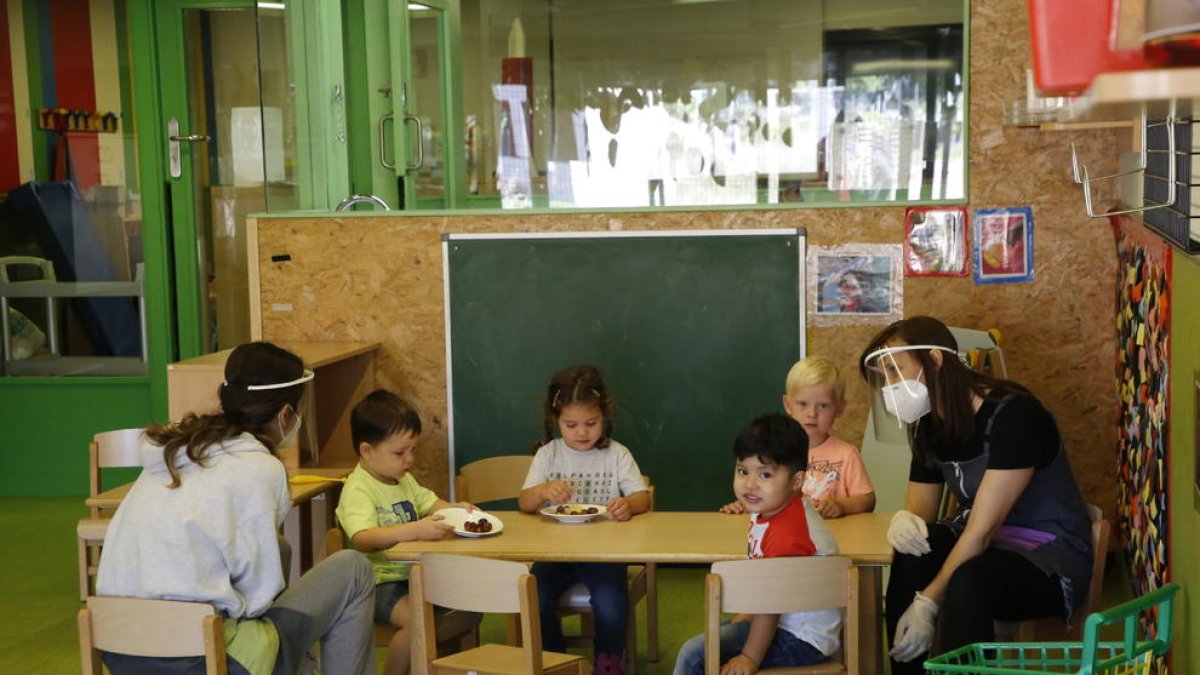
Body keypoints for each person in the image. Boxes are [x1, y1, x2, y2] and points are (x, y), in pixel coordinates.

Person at [96, 341, 375, 675]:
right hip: (203, 658)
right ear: (285, 414)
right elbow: (258, 597)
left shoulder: (173, 451)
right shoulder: (259, 468)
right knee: (354, 569)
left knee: (280, 549)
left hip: (119, 647)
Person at [859, 316, 1093, 673]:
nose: (890, 385)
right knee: (911, 552)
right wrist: (905, 521)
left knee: (969, 581)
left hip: (1047, 555)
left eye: (896, 371)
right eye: (884, 378)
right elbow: (921, 510)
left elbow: (982, 529)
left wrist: (927, 602)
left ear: (935, 360)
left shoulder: (1015, 415)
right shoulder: (929, 425)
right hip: (984, 545)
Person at [675, 413, 840, 675]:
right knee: (717, 635)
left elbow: (771, 604)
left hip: (801, 638)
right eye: (743, 471)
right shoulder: (776, 507)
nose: (749, 484)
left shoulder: (788, 532)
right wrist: (749, 613)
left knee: (694, 656)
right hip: (786, 620)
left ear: (796, 481)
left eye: (764, 475)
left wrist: (749, 657)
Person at [518, 364, 652, 675]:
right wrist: (542, 490)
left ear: (604, 416)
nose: (582, 432)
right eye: (571, 424)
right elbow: (525, 503)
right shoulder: (548, 455)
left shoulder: (617, 455)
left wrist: (628, 504)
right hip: (553, 553)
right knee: (533, 595)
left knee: (610, 603)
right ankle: (556, 663)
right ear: (556, 421)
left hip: (605, 554)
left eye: (591, 423)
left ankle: (608, 666)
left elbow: (643, 497)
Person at [335, 389, 477, 675]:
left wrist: (455, 509)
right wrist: (414, 530)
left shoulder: (401, 478)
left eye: (412, 449)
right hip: (378, 584)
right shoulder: (358, 489)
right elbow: (363, 538)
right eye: (400, 452)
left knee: (467, 607)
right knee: (417, 623)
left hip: (416, 577)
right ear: (367, 451)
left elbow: (429, 502)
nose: (409, 459)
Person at [721, 356, 875, 519]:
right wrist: (746, 504)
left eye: (823, 405)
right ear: (788, 405)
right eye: (803, 404)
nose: (812, 414)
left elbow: (868, 500)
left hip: (832, 536)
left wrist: (841, 506)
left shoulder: (847, 455)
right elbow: (764, 492)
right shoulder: (773, 451)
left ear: (839, 409)